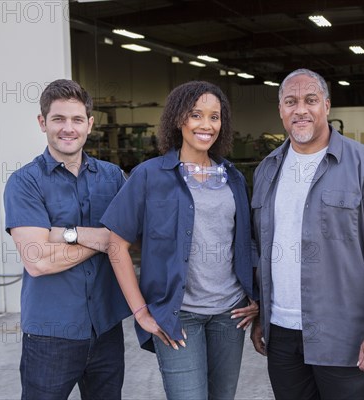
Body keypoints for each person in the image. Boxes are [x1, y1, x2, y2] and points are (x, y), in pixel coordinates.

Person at [250, 68, 364, 399]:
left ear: (326, 105)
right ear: (281, 110)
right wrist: (261, 315)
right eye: (290, 101)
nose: (300, 110)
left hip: (346, 336)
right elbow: (261, 247)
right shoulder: (266, 169)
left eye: (310, 100)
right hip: (281, 334)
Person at [100, 81, 259, 400]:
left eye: (215, 117)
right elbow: (115, 244)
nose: (206, 125)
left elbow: (246, 243)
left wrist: (255, 297)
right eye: (196, 114)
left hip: (230, 314)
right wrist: (142, 312)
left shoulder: (233, 178)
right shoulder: (149, 176)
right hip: (177, 314)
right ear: (178, 119)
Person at [3, 79, 129, 399]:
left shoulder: (113, 177)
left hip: (106, 329)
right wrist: (104, 238)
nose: (68, 128)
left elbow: (132, 237)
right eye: (58, 119)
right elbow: (39, 260)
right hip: (50, 335)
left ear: (89, 124)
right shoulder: (24, 183)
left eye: (76, 119)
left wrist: (63, 234)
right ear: (43, 122)